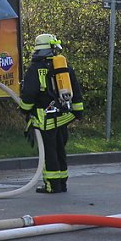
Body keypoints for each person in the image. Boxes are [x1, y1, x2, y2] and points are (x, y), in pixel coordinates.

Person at [19, 33, 85, 194]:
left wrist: (24, 109)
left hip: (44, 118)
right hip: (63, 117)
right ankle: (62, 183)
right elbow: (76, 91)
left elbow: (28, 95)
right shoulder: (63, 67)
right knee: (60, 149)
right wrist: (77, 112)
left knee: (49, 152)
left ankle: (52, 185)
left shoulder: (35, 69)